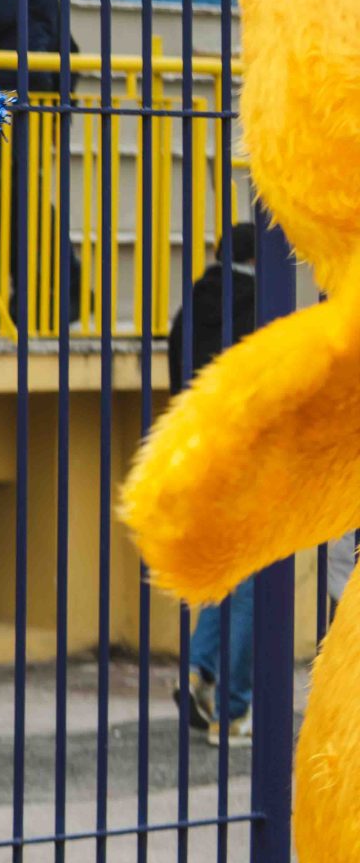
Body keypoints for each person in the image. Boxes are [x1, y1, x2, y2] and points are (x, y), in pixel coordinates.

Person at [167, 223, 262, 746]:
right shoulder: (261, 309)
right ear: (258, 259)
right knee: (249, 579)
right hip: (246, 456)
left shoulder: (191, 310)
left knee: (225, 570)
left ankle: (200, 668)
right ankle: (233, 710)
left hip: (198, 453)